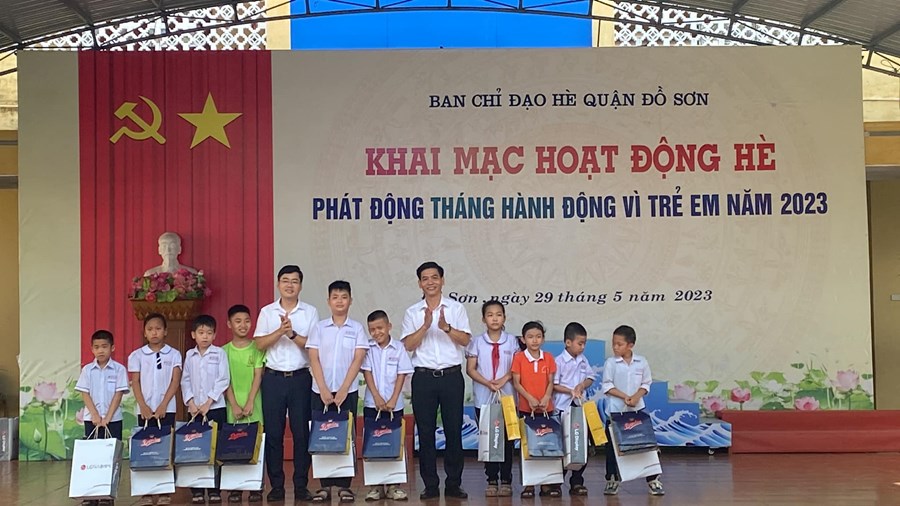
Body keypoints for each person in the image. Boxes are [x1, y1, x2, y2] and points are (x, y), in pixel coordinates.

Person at [401, 261, 472, 500]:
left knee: (453, 431)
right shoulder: (412, 312)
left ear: (442, 280)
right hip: (423, 378)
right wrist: (425, 326)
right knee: (426, 432)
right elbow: (408, 345)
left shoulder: (456, 308)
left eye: (434, 277)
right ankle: (430, 485)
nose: (430, 282)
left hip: (451, 377)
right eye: (425, 278)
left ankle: (453, 484)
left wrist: (446, 327)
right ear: (419, 283)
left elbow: (465, 340)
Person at [254, 265, 319, 503]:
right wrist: (279, 331)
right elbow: (259, 344)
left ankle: (301, 485)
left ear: (300, 285)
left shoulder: (310, 312)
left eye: (294, 281)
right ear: (278, 284)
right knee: (274, 434)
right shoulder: (267, 311)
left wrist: (291, 334)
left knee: (302, 434)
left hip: (300, 378)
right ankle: (277, 486)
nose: (289, 285)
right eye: (285, 280)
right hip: (273, 379)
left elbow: (313, 346)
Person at [306, 281, 369, 503]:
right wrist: (323, 388)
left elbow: (358, 358)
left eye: (344, 297)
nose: (339, 301)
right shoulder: (319, 328)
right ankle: (324, 486)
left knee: (345, 437)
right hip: (320, 392)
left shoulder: (357, 328)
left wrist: (343, 389)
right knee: (322, 437)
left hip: (347, 392)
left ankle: (344, 486)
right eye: (335, 297)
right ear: (328, 301)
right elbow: (313, 358)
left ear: (350, 300)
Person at [601, 325, 664, 496]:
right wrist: (625, 397)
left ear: (630, 345)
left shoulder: (641, 362)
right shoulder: (611, 363)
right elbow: (607, 385)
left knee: (645, 445)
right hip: (615, 412)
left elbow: (646, 383)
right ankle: (612, 479)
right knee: (612, 448)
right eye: (613, 344)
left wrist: (636, 396)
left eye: (619, 344)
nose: (615, 347)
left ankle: (653, 479)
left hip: (638, 410)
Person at [465, 300, 518, 497]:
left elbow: (516, 367)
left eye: (498, 314)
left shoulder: (512, 341)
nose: (494, 318)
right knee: (489, 439)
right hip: (484, 398)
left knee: (507, 440)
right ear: (483, 319)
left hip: (507, 398)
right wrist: (488, 383)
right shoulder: (476, 342)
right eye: (490, 315)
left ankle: (506, 479)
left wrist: (503, 380)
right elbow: (470, 369)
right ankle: (492, 479)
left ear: (504, 318)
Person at [128, 313, 182, 506]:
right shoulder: (137, 355)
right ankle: (147, 492)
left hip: (166, 409)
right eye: (150, 329)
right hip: (144, 410)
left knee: (165, 448)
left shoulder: (174, 354)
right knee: (146, 449)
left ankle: (165, 490)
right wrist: (143, 405)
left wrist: (163, 405)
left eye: (158, 329)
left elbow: (175, 381)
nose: (154, 333)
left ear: (165, 331)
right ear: (144, 332)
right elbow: (135, 382)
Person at [361, 310, 413, 502]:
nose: (377, 332)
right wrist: (376, 397)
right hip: (372, 404)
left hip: (394, 406)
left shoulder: (399, 348)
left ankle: (393, 486)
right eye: (372, 329)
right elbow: (367, 373)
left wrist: (393, 399)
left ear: (389, 326)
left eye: (380, 328)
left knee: (393, 444)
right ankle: (375, 486)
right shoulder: (367, 348)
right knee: (373, 444)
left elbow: (402, 374)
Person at [75, 330, 129, 506]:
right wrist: (96, 415)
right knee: (92, 457)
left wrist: (108, 417)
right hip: (92, 420)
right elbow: (85, 393)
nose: (100, 350)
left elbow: (118, 394)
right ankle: (91, 494)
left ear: (112, 348)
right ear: (92, 349)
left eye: (104, 346)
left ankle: (107, 495)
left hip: (113, 420)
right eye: (97, 347)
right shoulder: (87, 370)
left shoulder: (119, 369)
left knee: (111, 457)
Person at [181, 315, 231, 504]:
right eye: (201, 333)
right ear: (193, 334)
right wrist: (191, 402)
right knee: (195, 448)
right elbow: (185, 380)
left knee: (215, 448)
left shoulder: (219, 353)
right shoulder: (189, 355)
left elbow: (223, 379)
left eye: (209, 333)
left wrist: (209, 402)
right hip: (194, 410)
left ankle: (214, 489)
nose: (205, 336)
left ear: (214, 335)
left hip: (215, 408)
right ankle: (197, 490)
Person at [510, 320, 560, 499]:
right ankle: (529, 484)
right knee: (528, 448)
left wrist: (546, 397)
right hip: (526, 409)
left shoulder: (548, 357)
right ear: (523, 339)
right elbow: (517, 383)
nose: (535, 340)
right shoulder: (519, 358)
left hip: (547, 410)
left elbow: (551, 381)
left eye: (538, 336)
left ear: (543, 339)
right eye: (530, 337)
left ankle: (546, 484)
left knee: (547, 447)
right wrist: (530, 398)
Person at [222, 304, 265, 504]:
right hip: (232, 405)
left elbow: (258, 376)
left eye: (247, 321)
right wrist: (234, 404)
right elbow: (225, 380)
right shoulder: (223, 351)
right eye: (238, 321)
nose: (243, 325)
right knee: (234, 445)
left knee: (256, 444)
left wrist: (249, 402)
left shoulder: (257, 348)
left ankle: (256, 486)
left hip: (254, 403)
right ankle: (235, 488)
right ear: (229, 324)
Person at [552, 322, 594, 497]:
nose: (582, 347)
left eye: (584, 343)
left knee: (580, 444)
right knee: (563, 445)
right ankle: (556, 481)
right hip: (563, 408)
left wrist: (582, 385)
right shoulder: (559, 361)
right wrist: (570, 390)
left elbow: (590, 377)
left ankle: (577, 480)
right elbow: (554, 385)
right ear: (568, 342)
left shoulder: (583, 360)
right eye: (580, 343)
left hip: (580, 407)